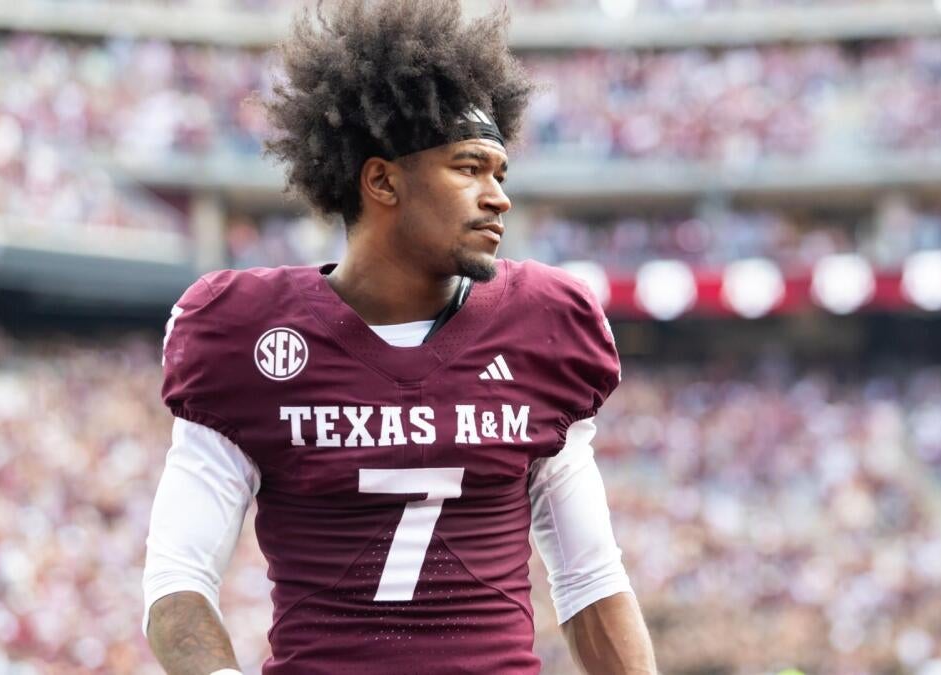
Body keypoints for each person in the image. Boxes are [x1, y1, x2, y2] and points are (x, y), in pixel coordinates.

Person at [142, 0, 657, 672]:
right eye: (469, 168)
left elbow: (590, 581)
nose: (498, 195)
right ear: (383, 180)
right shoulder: (251, 336)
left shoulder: (538, 326)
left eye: (499, 173)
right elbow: (178, 582)